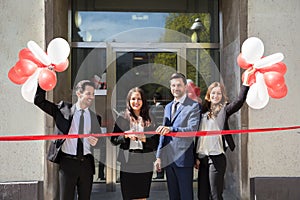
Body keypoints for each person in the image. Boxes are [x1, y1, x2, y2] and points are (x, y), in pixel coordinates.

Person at [34, 80, 102, 200]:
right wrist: (43, 81)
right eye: (88, 93)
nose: (92, 97)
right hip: (68, 164)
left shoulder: (95, 117)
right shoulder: (63, 109)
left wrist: (97, 142)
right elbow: (39, 101)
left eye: (93, 94)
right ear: (79, 94)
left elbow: (100, 143)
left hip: (86, 164)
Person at [194, 68, 255, 200]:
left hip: (216, 158)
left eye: (219, 94)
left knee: (215, 194)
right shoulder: (202, 112)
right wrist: (196, 157)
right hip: (202, 157)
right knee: (202, 196)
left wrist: (246, 83)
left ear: (222, 96)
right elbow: (197, 137)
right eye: (213, 93)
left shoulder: (224, 110)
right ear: (209, 95)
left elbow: (239, 102)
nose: (216, 96)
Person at [154, 72, 201, 200]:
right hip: (169, 159)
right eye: (173, 85)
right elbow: (163, 134)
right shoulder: (168, 107)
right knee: (173, 196)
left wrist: (171, 129)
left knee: (186, 196)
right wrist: (158, 156)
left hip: (183, 160)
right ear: (170, 87)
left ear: (185, 87)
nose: (176, 88)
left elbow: (192, 130)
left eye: (179, 85)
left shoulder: (194, 106)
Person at [111, 87, 160, 200]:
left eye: (139, 99)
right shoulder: (122, 117)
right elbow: (113, 140)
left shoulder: (151, 117)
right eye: (133, 99)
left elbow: (156, 142)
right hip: (128, 161)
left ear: (143, 101)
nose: (136, 102)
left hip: (145, 161)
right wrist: (125, 135)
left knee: (142, 196)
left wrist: (144, 139)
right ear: (129, 101)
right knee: (128, 196)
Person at [149, 92, 165, 179]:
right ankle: (160, 173)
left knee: (157, 154)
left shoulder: (154, 109)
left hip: (156, 133)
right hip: (161, 132)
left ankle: (160, 173)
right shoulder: (163, 108)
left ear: (154, 99)